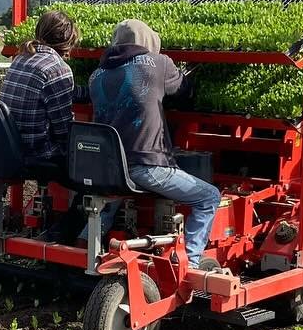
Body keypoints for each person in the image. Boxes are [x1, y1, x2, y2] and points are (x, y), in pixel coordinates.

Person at [89, 19, 221, 271]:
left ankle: (83, 242)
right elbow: (183, 91)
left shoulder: (97, 75)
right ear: (148, 42)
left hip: (108, 169)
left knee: (108, 197)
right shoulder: (159, 64)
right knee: (209, 197)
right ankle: (190, 264)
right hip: (146, 167)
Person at [0, 9, 86, 242]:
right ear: (68, 40)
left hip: (10, 148)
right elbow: (63, 131)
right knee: (93, 177)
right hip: (36, 152)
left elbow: (45, 92)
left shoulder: (22, 58)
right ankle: (64, 234)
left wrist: (83, 93)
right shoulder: (58, 69)